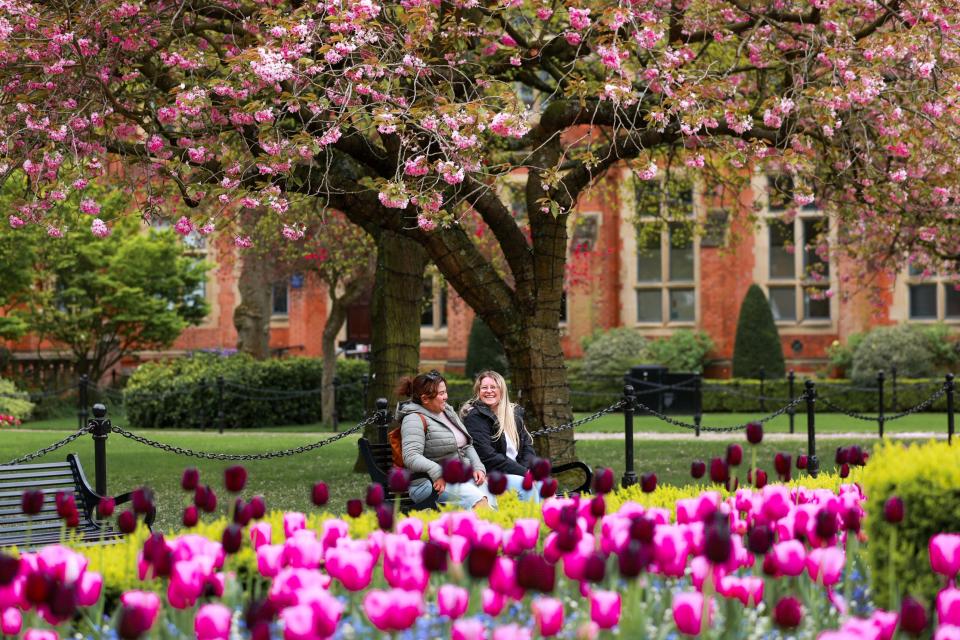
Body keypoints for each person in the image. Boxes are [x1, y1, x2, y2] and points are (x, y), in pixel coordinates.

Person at [397, 370, 495, 510]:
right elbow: (411, 456)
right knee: (479, 501)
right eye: (441, 393)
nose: (446, 397)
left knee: (490, 496)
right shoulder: (413, 418)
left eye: (445, 392)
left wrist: (477, 467)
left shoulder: (447, 411)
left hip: (459, 476)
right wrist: (437, 472)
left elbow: (466, 444)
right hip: (428, 484)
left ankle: (490, 529)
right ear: (425, 399)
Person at [460, 370, 540, 502]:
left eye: (493, 387)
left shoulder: (513, 413)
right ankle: (527, 521)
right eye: (484, 387)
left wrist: (527, 470)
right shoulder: (475, 417)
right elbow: (488, 456)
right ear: (478, 392)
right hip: (494, 474)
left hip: (517, 470)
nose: (489, 391)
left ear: (502, 390)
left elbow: (527, 446)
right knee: (527, 486)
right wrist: (524, 473)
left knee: (545, 486)